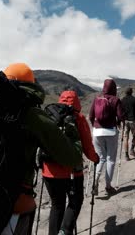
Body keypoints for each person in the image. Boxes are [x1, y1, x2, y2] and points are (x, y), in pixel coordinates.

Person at [1, 63, 83, 235]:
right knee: (64, 203)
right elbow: (73, 156)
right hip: (16, 200)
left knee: (56, 204)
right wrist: (75, 138)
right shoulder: (32, 115)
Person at [42, 90, 99, 235]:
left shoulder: (49, 116)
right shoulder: (78, 118)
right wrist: (95, 158)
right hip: (72, 172)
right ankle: (65, 231)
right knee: (75, 202)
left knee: (57, 205)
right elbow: (87, 146)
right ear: (77, 102)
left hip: (48, 170)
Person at [89, 79, 124, 195]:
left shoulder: (97, 98)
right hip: (111, 132)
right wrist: (119, 122)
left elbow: (91, 116)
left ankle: (96, 180)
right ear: (113, 88)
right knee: (111, 159)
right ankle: (108, 186)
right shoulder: (116, 100)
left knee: (100, 158)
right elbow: (120, 116)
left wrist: (94, 126)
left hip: (97, 132)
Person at [121, 87, 135, 161]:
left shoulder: (122, 100)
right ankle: (132, 149)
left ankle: (126, 155)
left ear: (125, 92)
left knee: (126, 138)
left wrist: (119, 121)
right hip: (133, 121)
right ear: (131, 92)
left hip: (125, 121)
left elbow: (120, 112)